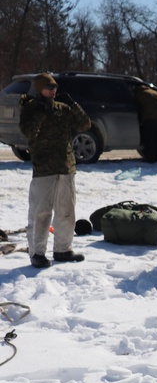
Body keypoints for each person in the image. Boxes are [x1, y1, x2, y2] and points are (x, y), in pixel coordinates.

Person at [18, 72, 92, 269]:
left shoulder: (62, 108)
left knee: (67, 211)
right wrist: (41, 110)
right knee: (41, 212)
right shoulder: (30, 108)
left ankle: (63, 249)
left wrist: (73, 104)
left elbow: (85, 124)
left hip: (66, 166)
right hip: (44, 168)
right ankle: (37, 253)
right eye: (49, 87)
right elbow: (28, 132)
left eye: (55, 88)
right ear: (39, 89)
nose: (53, 91)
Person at [133, 85, 157, 163]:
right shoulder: (155, 92)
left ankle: (150, 158)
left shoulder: (139, 94)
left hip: (150, 117)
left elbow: (136, 107)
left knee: (150, 139)